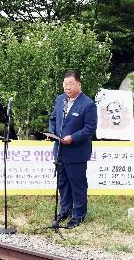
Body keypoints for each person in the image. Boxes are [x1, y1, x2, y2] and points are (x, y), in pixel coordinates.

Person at [49, 71, 97, 229]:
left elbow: (90, 128)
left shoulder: (88, 104)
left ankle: (79, 214)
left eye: (70, 83)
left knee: (77, 184)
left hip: (76, 152)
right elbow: (53, 119)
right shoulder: (60, 99)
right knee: (62, 183)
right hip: (60, 150)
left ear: (79, 84)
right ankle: (65, 210)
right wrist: (53, 134)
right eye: (65, 83)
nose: (67, 87)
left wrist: (73, 137)